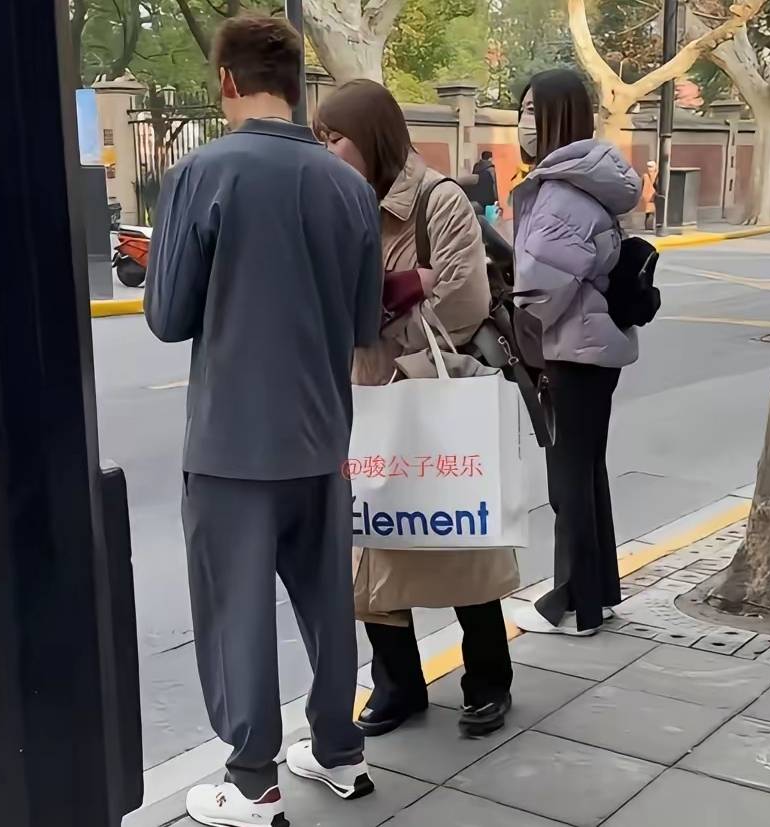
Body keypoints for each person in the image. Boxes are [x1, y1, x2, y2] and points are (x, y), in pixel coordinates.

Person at [144, 16, 383, 827]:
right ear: (293, 83)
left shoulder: (200, 173)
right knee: (326, 600)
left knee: (235, 611)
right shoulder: (349, 187)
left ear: (227, 81)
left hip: (232, 442)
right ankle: (340, 748)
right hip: (322, 434)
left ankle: (251, 780)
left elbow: (167, 316)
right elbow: (363, 322)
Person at [314, 79, 519, 740]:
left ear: (371, 137)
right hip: (367, 395)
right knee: (376, 541)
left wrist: (383, 311)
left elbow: (463, 300)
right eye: (320, 139)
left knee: (458, 534)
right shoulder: (338, 204)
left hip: (429, 388)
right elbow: (326, 299)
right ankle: (398, 683)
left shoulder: (438, 199)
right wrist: (401, 287)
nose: (327, 151)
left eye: (335, 138)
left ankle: (487, 679)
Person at [511, 69, 642, 637]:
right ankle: (599, 594)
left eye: (530, 113)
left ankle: (573, 607)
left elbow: (540, 289)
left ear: (555, 118)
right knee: (587, 473)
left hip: (571, 351)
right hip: (594, 348)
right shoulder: (586, 183)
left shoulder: (559, 194)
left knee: (568, 481)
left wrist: (518, 323)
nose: (521, 125)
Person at [643, 160, 659, 231]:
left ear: (655, 167)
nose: (649, 168)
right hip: (648, 198)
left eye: (651, 167)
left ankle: (651, 228)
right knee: (649, 213)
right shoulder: (645, 176)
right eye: (648, 167)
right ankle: (649, 228)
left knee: (652, 213)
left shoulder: (657, 175)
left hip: (655, 197)